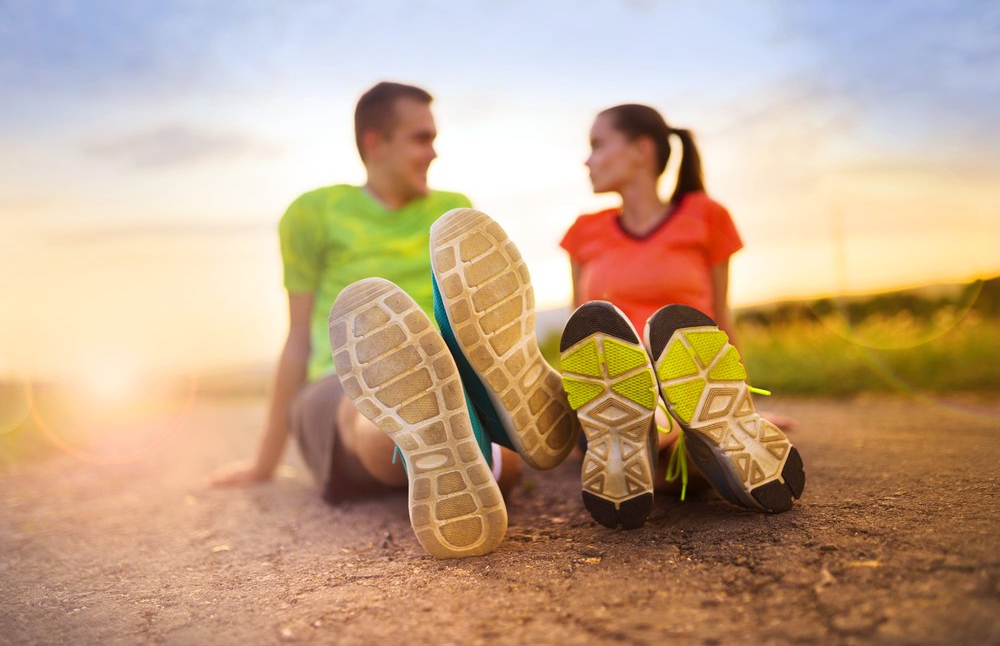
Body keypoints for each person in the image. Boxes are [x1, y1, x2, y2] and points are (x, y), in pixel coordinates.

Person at [211, 82, 577, 558]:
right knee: (379, 398)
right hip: (340, 379)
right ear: (374, 143)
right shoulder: (313, 213)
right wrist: (264, 461)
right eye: (421, 138)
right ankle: (462, 429)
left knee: (473, 438)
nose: (434, 152)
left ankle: (462, 426)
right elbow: (299, 337)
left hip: (452, 368)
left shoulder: (452, 209)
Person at [558, 104, 805, 528]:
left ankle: (687, 430)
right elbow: (581, 331)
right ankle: (695, 441)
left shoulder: (706, 216)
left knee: (657, 452)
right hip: (612, 386)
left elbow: (720, 321)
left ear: (641, 149)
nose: (588, 159)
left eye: (598, 145)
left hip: (689, 379)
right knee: (647, 436)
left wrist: (738, 398)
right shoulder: (585, 231)